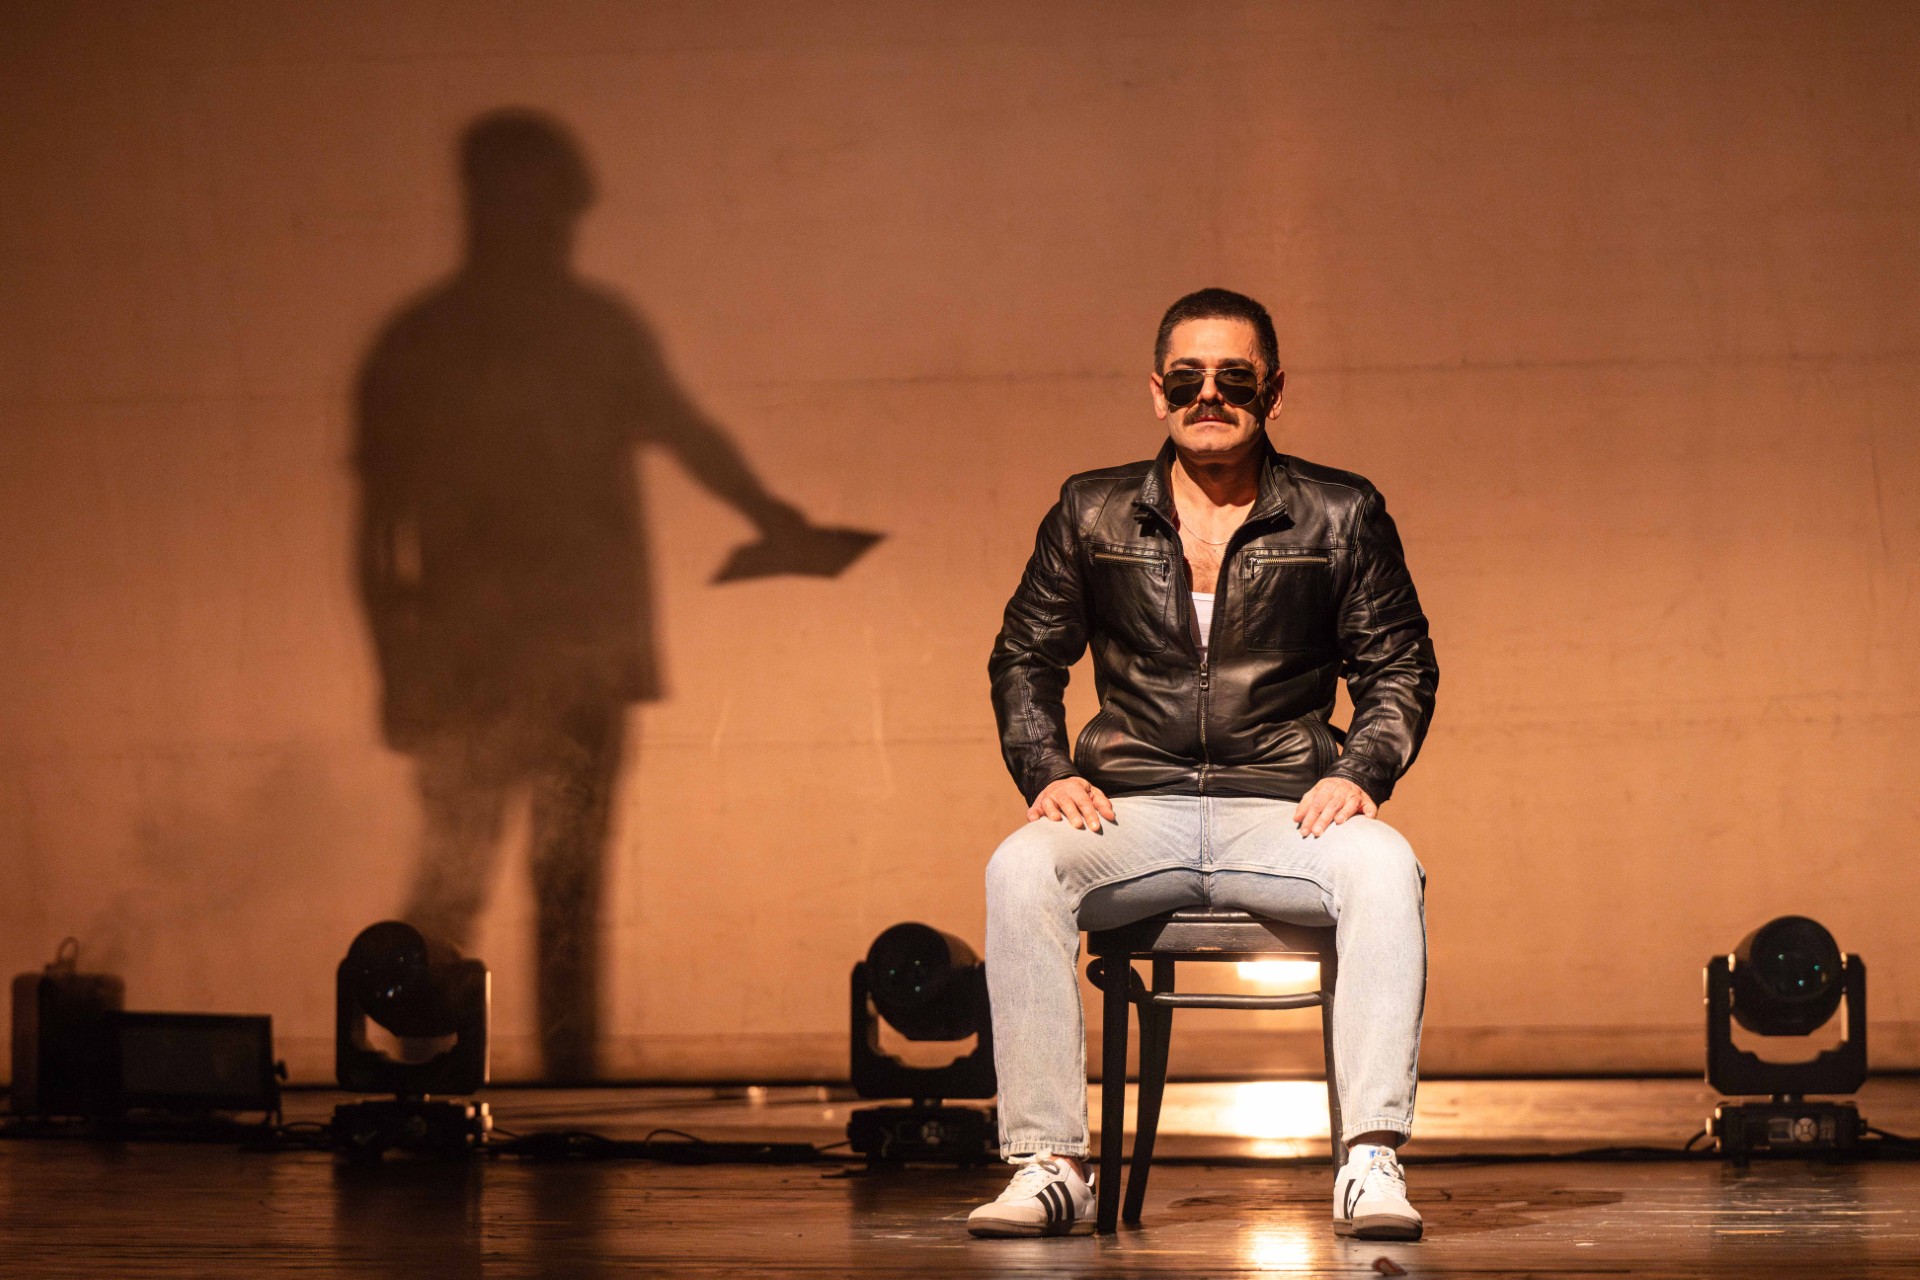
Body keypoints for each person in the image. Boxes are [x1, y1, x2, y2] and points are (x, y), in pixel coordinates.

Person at [969, 288, 1438, 1239]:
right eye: (1187, 379)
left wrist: (1360, 772)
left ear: (1274, 389)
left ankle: (1369, 1160)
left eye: (1233, 377)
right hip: (1132, 808)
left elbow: (1399, 664)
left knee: (1387, 866)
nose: (1209, 395)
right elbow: (1024, 654)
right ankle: (1051, 1164)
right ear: (1158, 391)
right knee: (1021, 867)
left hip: (1286, 809)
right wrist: (1046, 769)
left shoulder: (1341, 512)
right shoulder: (1091, 508)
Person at [354, 110, 810, 1081]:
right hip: (521, 659)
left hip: (514, 660)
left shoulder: (445, 338)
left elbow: (377, 533)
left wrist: (397, 668)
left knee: (495, 879)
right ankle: (525, 1082)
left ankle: (431, 1079)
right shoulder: (548, 334)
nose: (552, 227)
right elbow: (378, 529)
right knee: (516, 883)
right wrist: (771, 517)